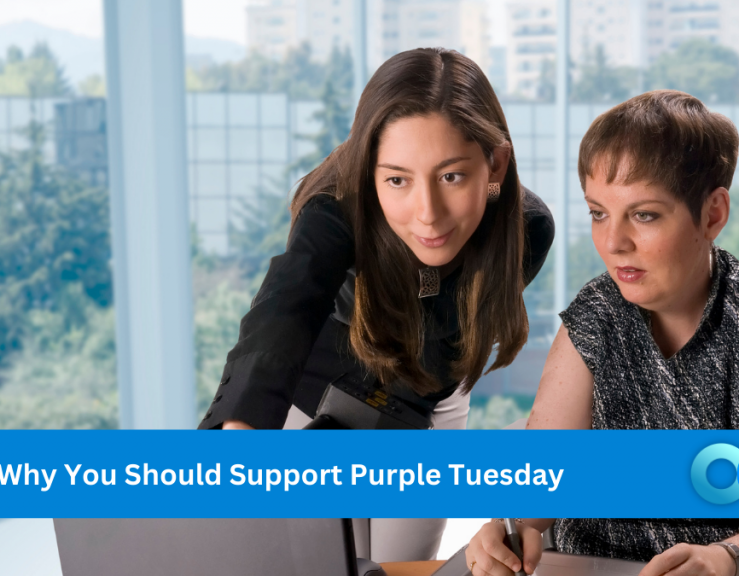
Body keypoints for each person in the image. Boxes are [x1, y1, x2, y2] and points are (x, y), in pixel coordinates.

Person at [197, 48, 554, 562]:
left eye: (451, 176)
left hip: (429, 397)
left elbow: (447, 343)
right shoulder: (333, 209)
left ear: (494, 163)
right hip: (318, 386)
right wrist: (242, 438)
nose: (427, 214)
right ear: (369, 173)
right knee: (315, 560)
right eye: (397, 180)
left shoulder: (528, 230)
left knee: (398, 567)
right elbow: (286, 308)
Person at [465, 90, 739, 576]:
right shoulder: (595, 315)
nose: (614, 242)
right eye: (599, 213)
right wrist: (510, 527)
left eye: (644, 215)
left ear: (712, 215)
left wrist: (724, 560)